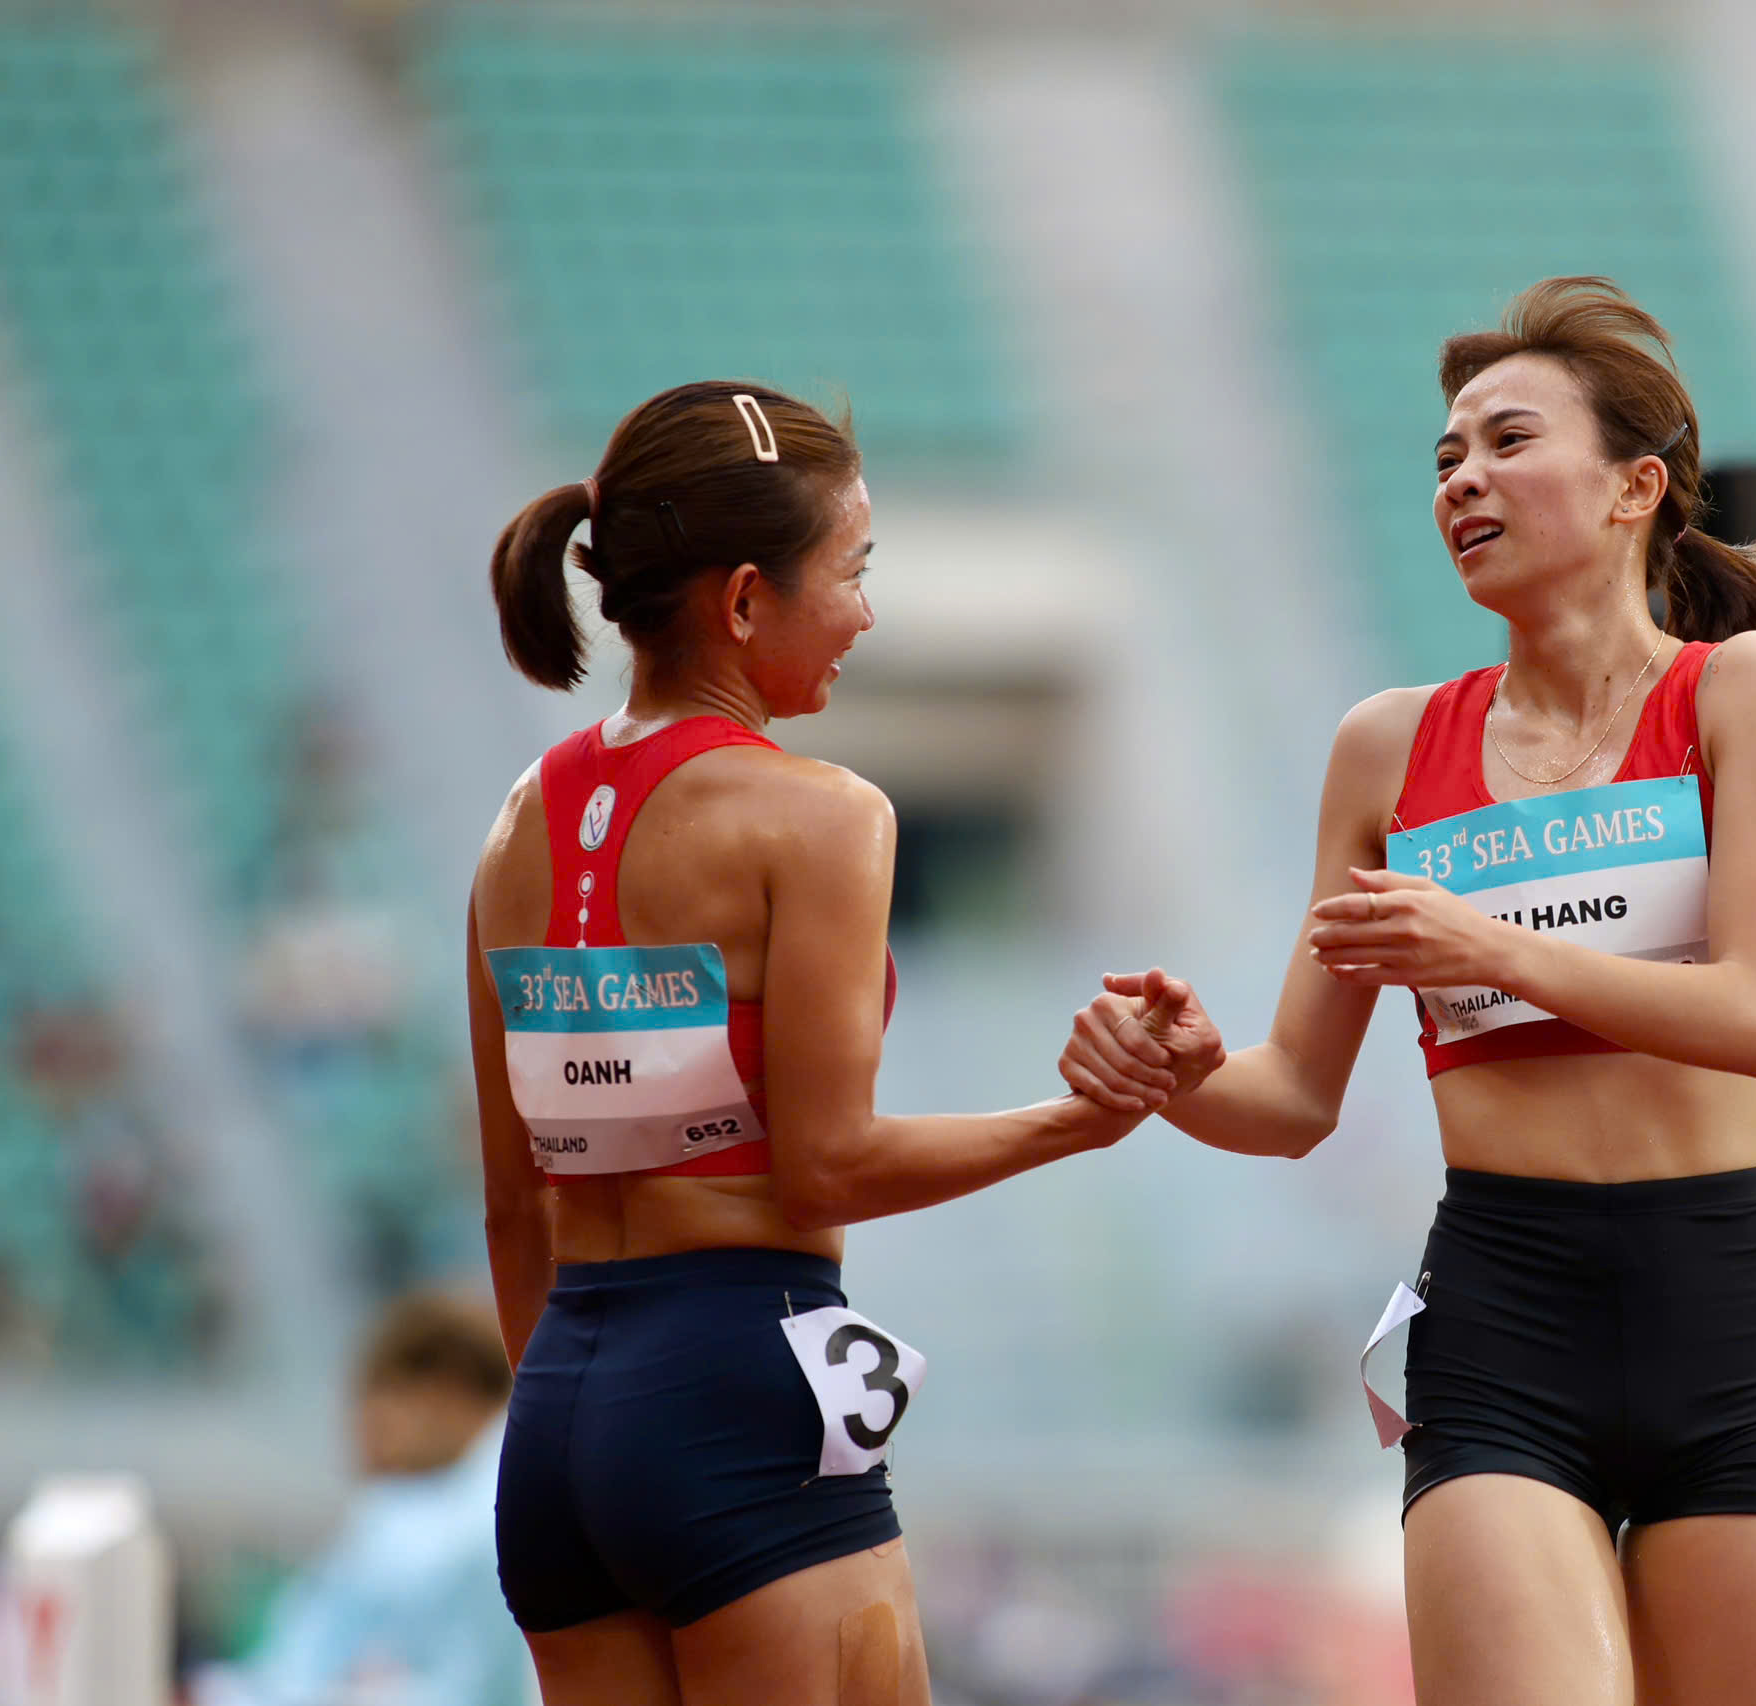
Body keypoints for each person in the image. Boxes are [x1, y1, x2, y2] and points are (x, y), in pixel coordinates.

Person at [1063, 278, 1756, 1706]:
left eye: (1506, 440)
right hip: (1503, 1313)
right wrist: (1168, 1068)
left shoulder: (1747, 690)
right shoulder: (1386, 748)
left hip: (1720, 1306)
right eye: (1444, 457)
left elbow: (1754, 1017)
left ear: (1634, 488)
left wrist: (1490, 951)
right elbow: (1290, 1099)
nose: (1463, 478)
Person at [466, 381, 1223, 1706]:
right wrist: (1081, 1118)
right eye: (854, 572)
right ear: (746, 598)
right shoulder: (819, 816)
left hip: (560, 1421)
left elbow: (511, 1202)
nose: (869, 614)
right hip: (734, 1385)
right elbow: (826, 1167)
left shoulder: (518, 827)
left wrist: (595, 1424)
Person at [193, 1292, 527, 1706]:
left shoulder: (449, 1514)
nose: (364, 1443)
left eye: (376, 1410)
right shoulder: (446, 1504)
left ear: (446, 1387)